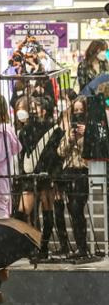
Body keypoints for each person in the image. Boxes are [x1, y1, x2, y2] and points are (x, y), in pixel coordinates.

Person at [15, 96, 65, 258]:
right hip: (30, 176)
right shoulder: (26, 130)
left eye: (36, 107)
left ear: (44, 110)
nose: (33, 110)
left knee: (47, 211)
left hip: (47, 176)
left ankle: (43, 246)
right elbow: (23, 153)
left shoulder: (55, 130)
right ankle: (31, 243)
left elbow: (58, 156)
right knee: (23, 211)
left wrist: (54, 175)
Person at [58, 96, 90, 258]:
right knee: (71, 208)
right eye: (75, 110)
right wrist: (70, 139)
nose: (78, 113)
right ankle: (79, 247)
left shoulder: (91, 129)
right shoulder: (69, 129)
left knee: (78, 208)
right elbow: (60, 152)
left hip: (82, 171)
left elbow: (92, 151)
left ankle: (83, 247)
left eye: (80, 110)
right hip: (68, 172)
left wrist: (84, 136)